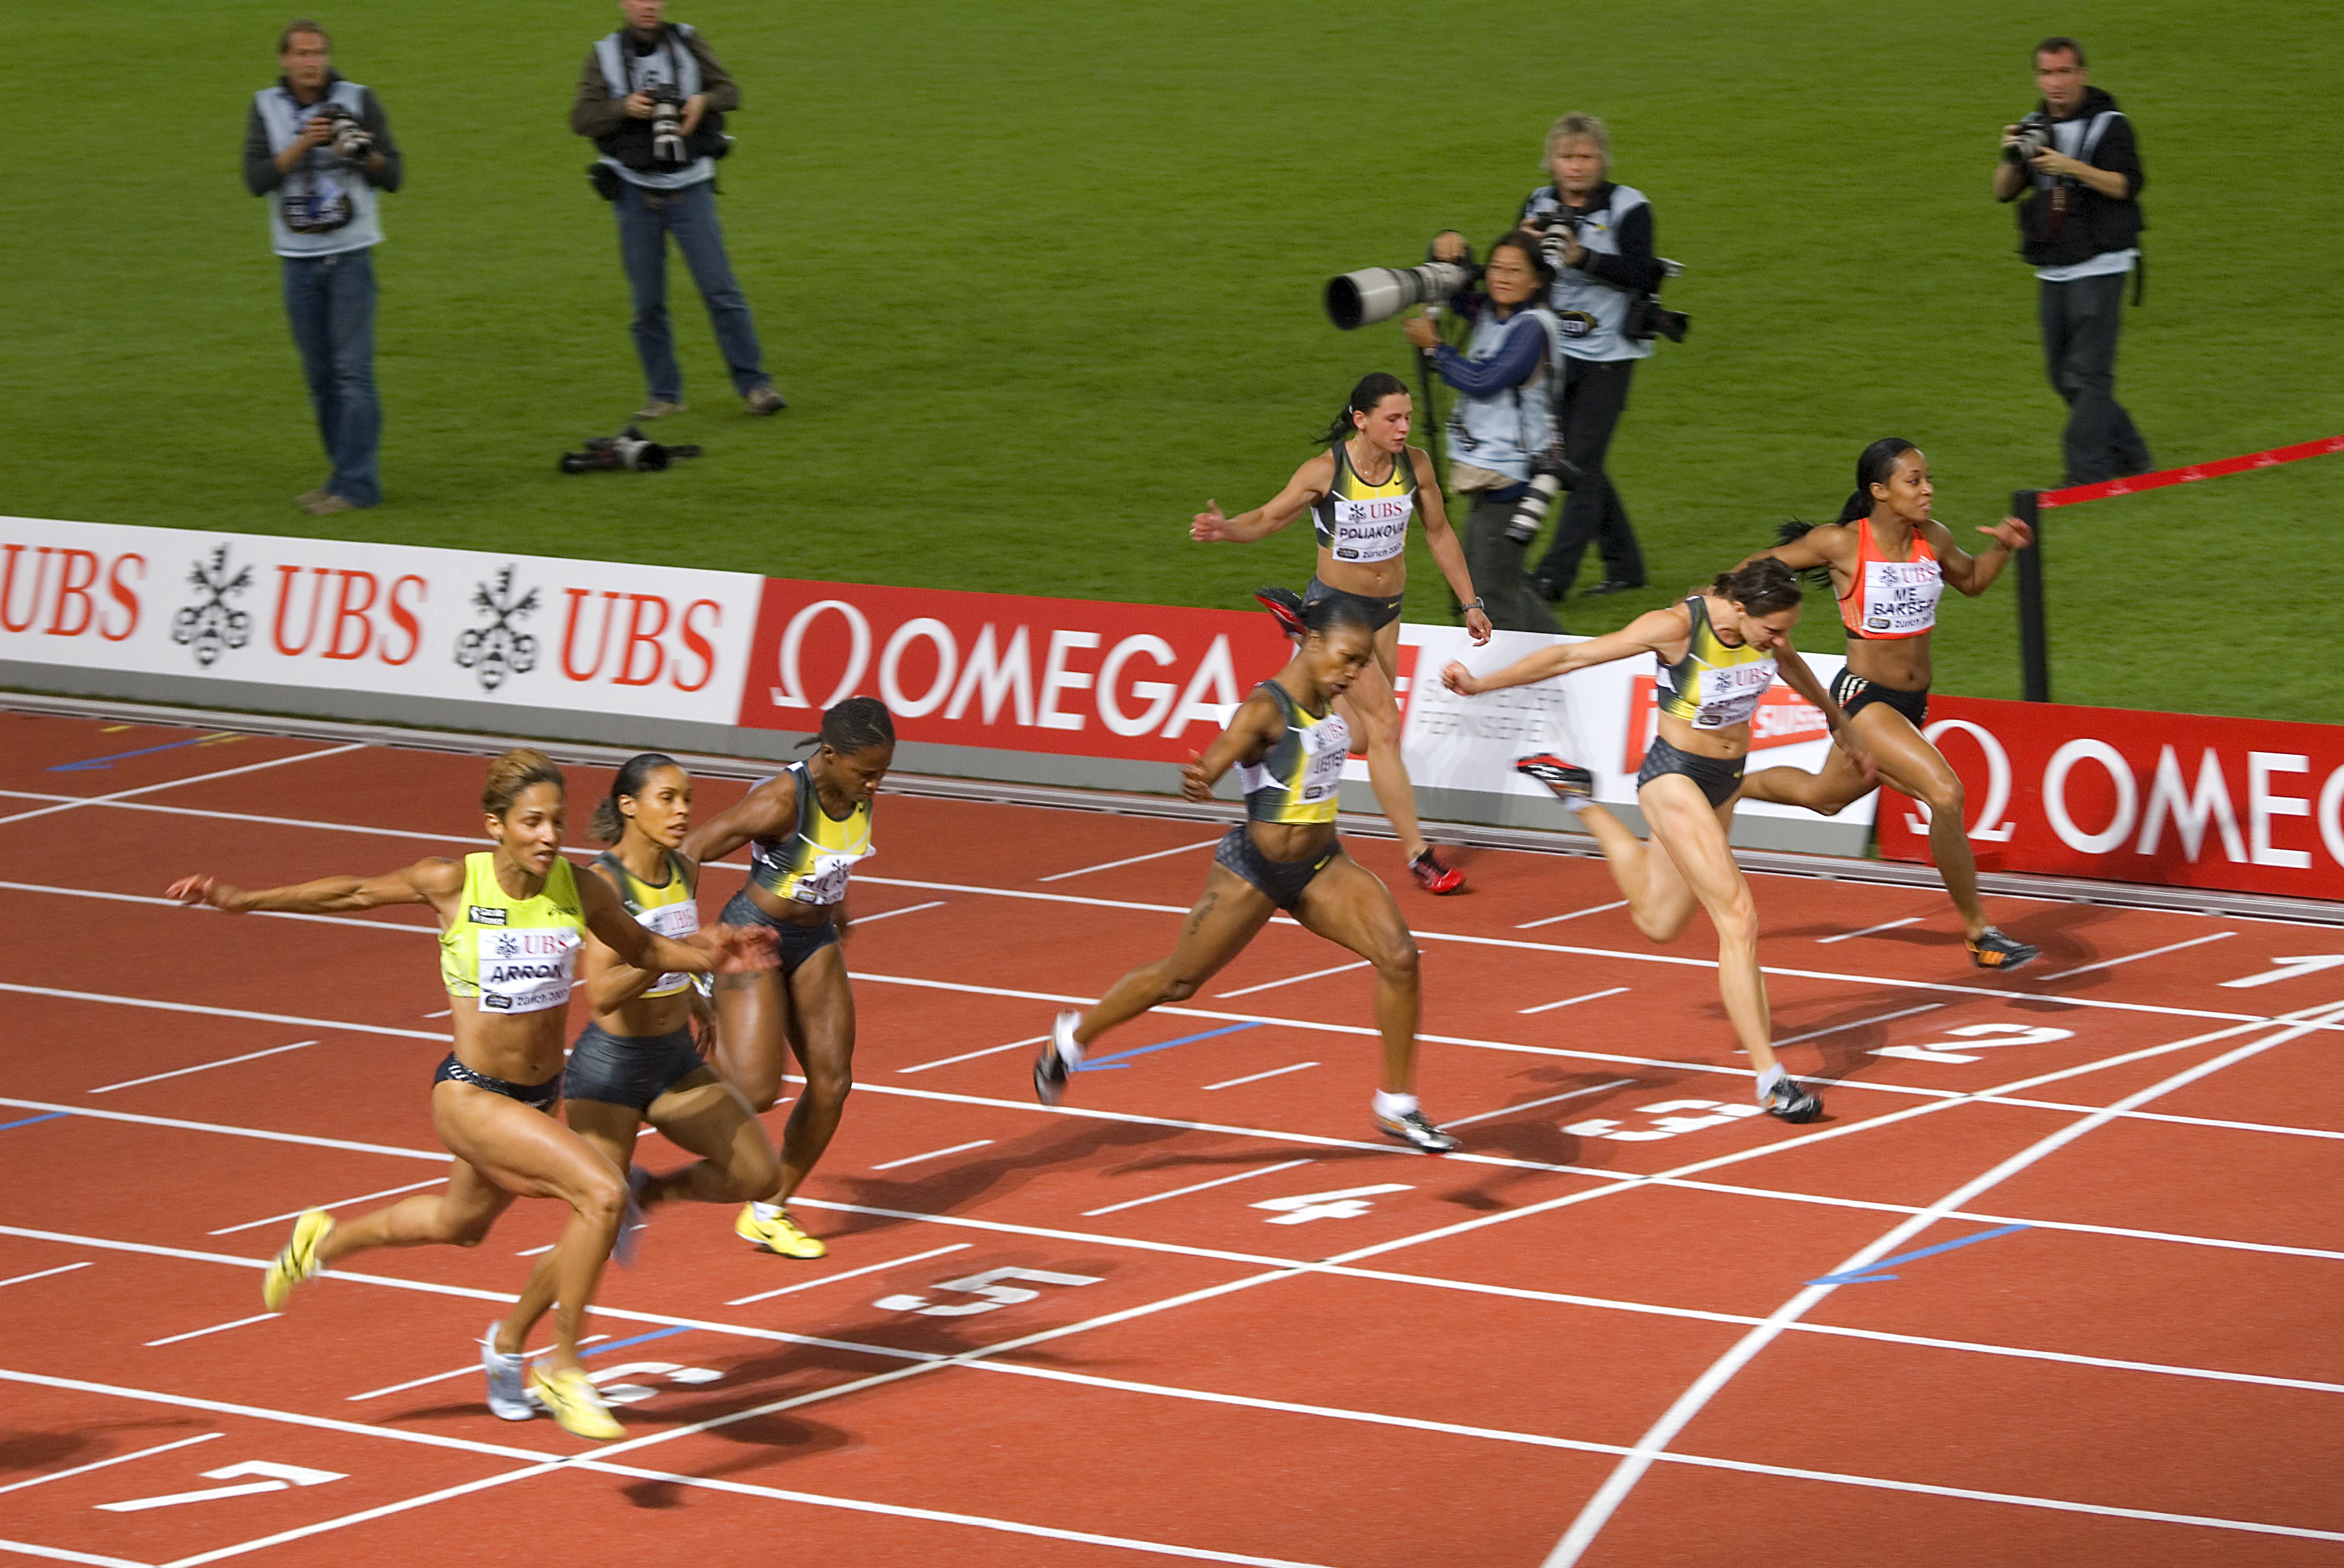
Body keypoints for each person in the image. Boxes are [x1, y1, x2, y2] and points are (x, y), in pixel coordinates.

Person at [165, 750, 775, 1439]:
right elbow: (351, 891)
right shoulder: (452, 881)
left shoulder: (578, 887)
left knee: (462, 1224)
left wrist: (708, 953)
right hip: (470, 1093)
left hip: (536, 1096)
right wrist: (241, 899)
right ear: (496, 825)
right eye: (532, 822)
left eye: (558, 822)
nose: (549, 835)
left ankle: (323, 1242)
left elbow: (642, 947)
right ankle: (562, 1364)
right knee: (602, 1193)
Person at [1441, 559, 1869, 1123]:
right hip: (1675, 777)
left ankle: (1577, 797)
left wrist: (1838, 720)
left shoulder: (1768, 633)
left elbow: (1789, 664)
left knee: (1658, 921)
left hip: (1723, 783)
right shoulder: (1677, 628)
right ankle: (1772, 1078)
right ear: (1741, 609)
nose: (1783, 641)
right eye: (1774, 629)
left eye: (1788, 628)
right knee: (1737, 916)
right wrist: (1480, 682)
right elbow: (1573, 655)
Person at [1034, 595, 1458, 1154]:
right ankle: (1072, 1038)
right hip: (1254, 869)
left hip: (1321, 866)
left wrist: (1352, 691)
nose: (1354, 673)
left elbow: (1360, 738)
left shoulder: (1332, 697)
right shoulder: (1266, 707)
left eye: (1361, 663)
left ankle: (1397, 1105)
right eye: (1348, 659)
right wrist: (1203, 775)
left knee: (1400, 957)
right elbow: (1222, 752)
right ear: (1311, 644)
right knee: (1179, 981)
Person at [1735, 440, 2042, 970]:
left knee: (1822, 797)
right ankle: (1980, 934)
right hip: (1864, 699)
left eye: (1927, 479)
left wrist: (2005, 547)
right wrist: (1720, 606)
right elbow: (1755, 568)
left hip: (1911, 703)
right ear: (1879, 491)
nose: (1928, 490)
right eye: (1914, 481)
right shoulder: (1840, 544)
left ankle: (1721, 782)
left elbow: (1970, 581)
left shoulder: (1934, 538)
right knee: (1945, 793)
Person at [1195, 371, 1492, 894]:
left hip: (1387, 610)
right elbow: (1267, 517)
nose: (1404, 428)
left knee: (1357, 738)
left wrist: (1470, 601)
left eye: (1408, 418)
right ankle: (1420, 856)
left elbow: (1439, 532)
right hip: (1339, 609)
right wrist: (1227, 530)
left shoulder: (1415, 465)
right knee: (1385, 727)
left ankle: (1297, 641)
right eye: (1393, 419)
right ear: (1362, 420)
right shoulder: (1324, 472)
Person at [683, 698, 896, 1260]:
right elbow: (692, 848)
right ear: (829, 754)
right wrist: (688, 941)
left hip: (814, 939)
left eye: (883, 772)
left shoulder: (854, 789)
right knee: (756, 1091)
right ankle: (665, 1073)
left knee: (833, 1084)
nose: (876, 785)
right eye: (866, 772)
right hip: (754, 934)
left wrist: (836, 907)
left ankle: (768, 1210)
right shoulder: (781, 800)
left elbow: (827, 861)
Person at [561, 753, 787, 1246]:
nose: (682, 810)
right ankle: (516, 1328)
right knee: (593, 1234)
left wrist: (694, 999)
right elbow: (602, 994)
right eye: (667, 799)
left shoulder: (684, 867)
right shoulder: (606, 883)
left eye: (687, 799)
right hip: (611, 1069)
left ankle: (650, 1191)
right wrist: (678, 956)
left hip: (674, 1057)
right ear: (629, 806)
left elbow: (676, 945)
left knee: (759, 1174)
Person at [571, 0, 786, 419]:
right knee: (647, 302)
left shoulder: (688, 41)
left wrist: (702, 103)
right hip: (636, 193)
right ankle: (665, 394)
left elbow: (731, 92)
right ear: (624, 3)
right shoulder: (604, 55)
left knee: (720, 290)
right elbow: (581, 119)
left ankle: (756, 386)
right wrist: (623, 108)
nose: (648, 6)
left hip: (691, 187)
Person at [241, 19, 400, 516]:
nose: (312, 62)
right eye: (302, 54)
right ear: (284, 60)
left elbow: (394, 174)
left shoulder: (359, 99)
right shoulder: (265, 108)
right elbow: (255, 179)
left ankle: (358, 485)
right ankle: (340, 476)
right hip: (298, 260)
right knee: (320, 376)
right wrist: (303, 145)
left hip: (350, 255)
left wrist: (360, 154)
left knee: (353, 374)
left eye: (319, 53)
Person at [1515, 113, 1661, 602]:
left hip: (1610, 354)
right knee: (1580, 461)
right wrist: (1527, 250)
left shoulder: (1629, 207)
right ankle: (1625, 565)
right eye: (1565, 157)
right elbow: (1514, 270)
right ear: (1551, 162)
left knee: (1577, 461)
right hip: (1553, 351)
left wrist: (1585, 258)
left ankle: (1554, 576)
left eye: (1585, 157)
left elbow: (1643, 273)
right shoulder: (1539, 203)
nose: (1575, 167)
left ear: (1602, 160)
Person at [1994, 37, 2152, 487]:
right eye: (2046, 74)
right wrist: (2010, 154)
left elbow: (2125, 185)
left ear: (2082, 74)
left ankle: (2089, 474)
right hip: (2055, 266)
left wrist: (2071, 167)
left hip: (2101, 263)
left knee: (2089, 372)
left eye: (2064, 73)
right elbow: (2003, 191)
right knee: (2064, 374)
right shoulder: (2033, 125)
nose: (2056, 83)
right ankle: (2132, 452)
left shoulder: (2110, 125)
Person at [1401, 233, 1564, 634]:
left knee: (1488, 592)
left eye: (1515, 271)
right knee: (1497, 581)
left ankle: (1512, 679)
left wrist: (1437, 350)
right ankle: (1571, 658)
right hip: (1494, 472)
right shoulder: (1493, 313)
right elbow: (1452, 288)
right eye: (1496, 268)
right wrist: (1448, 254)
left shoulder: (1533, 328)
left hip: (1514, 478)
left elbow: (1486, 380)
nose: (1502, 278)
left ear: (1537, 279)